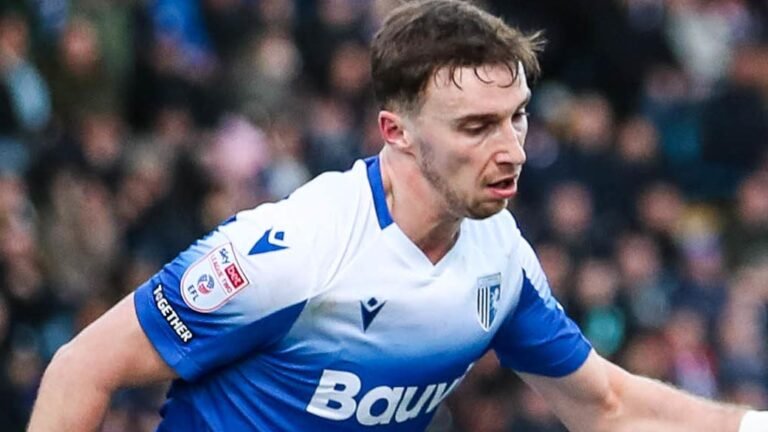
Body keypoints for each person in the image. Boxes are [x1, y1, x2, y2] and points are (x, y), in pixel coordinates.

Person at [27, 1, 768, 431]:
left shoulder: (498, 254)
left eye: (517, 116)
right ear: (397, 132)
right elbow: (81, 369)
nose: (512, 149)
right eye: (477, 127)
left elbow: (605, 407)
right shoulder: (295, 251)